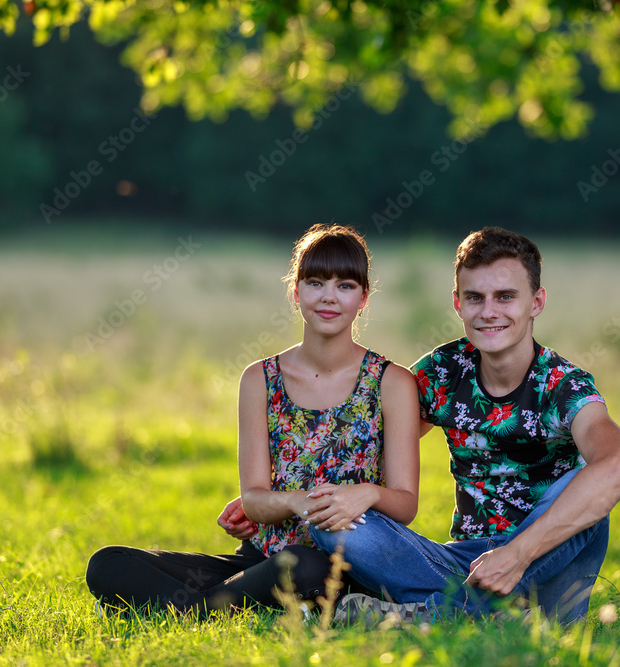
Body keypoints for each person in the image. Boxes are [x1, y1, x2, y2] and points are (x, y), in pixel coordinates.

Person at [86, 223, 420, 619]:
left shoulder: (391, 381)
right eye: (315, 283)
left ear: (363, 298)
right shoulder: (260, 379)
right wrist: (296, 501)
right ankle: (206, 607)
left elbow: (405, 504)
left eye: (345, 286)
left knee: (304, 564)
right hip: (260, 561)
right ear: (296, 293)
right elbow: (255, 501)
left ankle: (181, 608)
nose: (328, 297)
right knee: (107, 563)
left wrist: (368, 493)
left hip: (334, 564)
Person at [309, 227, 620, 626]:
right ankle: (487, 617)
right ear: (458, 304)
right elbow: (365, 445)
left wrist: (516, 555)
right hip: (462, 563)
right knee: (335, 521)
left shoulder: (564, 385)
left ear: (537, 302)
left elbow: (618, 467)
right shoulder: (443, 372)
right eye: (475, 298)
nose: (488, 311)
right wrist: (281, 494)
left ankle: (430, 617)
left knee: (588, 484)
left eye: (505, 297)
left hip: (546, 560)